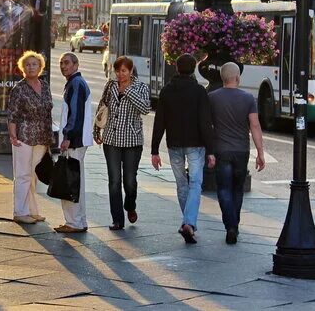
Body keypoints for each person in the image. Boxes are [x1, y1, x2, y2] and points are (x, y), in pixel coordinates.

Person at [151, 54, 214, 244]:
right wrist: (210, 150)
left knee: (181, 184)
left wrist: (154, 149)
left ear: (176, 68)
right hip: (196, 144)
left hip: (174, 144)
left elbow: (159, 121)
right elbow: (205, 122)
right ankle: (188, 222)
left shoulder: (167, 91)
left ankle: (188, 222)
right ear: (194, 68)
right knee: (195, 183)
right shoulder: (199, 91)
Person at [209, 62, 266, 245]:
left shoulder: (212, 98)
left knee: (224, 189)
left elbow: (207, 126)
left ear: (222, 78)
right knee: (237, 190)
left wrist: (208, 151)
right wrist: (260, 152)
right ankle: (235, 224)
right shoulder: (248, 98)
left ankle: (230, 225)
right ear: (238, 78)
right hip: (241, 151)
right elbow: (255, 126)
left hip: (221, 150)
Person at [96, 55, 151, 231]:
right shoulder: (110, 85)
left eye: (124, 71)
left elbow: (145, 108)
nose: (120, 75)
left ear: (130, 71)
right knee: (114, 180)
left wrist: (127, 91)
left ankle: (130, 205)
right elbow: (102, 107)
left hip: (132, 141)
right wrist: (96, 130)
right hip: (111, 139)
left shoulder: (140, 87)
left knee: (129, 180)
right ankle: (117, 219)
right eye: (117, 71)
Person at [7, 51, 53, 225]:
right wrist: (12, 134)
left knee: (34, 175)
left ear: (40, 67)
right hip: (24, 135)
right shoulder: (19, 88)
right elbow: (12, 113)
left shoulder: (45, 86)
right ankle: (20, 211)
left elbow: (48, 112)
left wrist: (50, 138)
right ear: (23, 68)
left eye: (34, 64)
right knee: (23, 175)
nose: (31, 67)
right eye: (28, 64)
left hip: (42, 136)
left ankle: (32, 211)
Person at [54, 52, 94, 234]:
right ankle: (79, 221)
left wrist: (67, 137)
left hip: (74, 141)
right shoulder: (75, 83)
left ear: (76, 65)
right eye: (61, 63)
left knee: (70, 181)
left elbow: (75, 114)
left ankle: (73, 222)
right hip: (78, 140)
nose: (64, 66)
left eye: (67, 63)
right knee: (77, 181)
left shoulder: (76, 84)